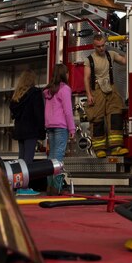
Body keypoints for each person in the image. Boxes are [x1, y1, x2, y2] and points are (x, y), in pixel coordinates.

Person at [83, 33, 128, 158]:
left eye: (103, 45)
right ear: (94, 46)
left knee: (116, 115)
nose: (101, 48)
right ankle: (99, 148)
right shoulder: (89, 60)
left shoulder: (111, 54)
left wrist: (127, 47)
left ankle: (116, 147)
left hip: (111, 88)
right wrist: (89, 95)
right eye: (98, 46)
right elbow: (86, 78)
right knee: (97, 119)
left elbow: (125, 61)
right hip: (97, 90)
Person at [9, 69, 45, 195]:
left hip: (19, 131)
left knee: (21, 159)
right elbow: (38, 114)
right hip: (31, 130)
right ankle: (24, 187)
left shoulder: (17, 95)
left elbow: (14, 113)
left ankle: (18, 186)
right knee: (28, 160)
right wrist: (42, 132)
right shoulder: (35, 93)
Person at [44, 63, 76, 195]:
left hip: (50, 126)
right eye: (67, 72)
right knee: (58, 158)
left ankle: (49, 187)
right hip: (61, 126)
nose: (69, 74)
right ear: (64, 74)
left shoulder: (48, 91)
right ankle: (56, 188)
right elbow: (68, 111)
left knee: (51, 157)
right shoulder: (65, 89)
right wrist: (72, 128)